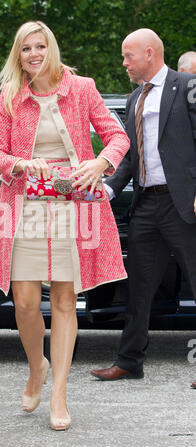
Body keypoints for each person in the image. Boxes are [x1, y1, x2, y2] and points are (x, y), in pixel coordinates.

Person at [0, 21, 129, 430]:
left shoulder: (82, 88)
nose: (34, 54)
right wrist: (20, 163)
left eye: (40, 46)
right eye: (26, 49)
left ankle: (59, 393)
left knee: (64, 299)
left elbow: (117, 136)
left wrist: (100, 162)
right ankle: (36, 368)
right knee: (24, 301)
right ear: (18, 56)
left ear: (51, 48)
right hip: (23, 206)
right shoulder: (11, 96)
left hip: (72, 207)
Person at [90, 29, 196, 383]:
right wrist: (107, 188)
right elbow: (131, 158)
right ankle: (129, 361)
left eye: (128, 56)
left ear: (149, 53)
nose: (124, 64)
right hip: (147, 205)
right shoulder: (135, 99)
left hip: (183, 204)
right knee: (138, 287)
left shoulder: (187, 86)